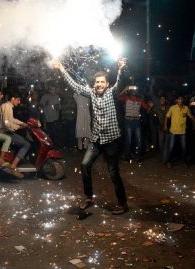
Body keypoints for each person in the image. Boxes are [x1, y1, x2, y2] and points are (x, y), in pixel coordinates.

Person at [52, 58, 129, 215]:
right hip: (96, 140)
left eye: (102, 82)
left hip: (112, 141)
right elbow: (74, 85)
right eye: (97, 82)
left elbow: (120, 82)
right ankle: (88, 197)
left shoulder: (111, 93)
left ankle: (122, 203)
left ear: (107, 84)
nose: (99, 84)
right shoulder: (91, 93)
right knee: (85, 165)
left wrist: (121, 68)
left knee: (113, 173)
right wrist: (61, 68)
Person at [0, 92, 31, 178]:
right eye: (18, 100)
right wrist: (17, 127)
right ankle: (13, 167)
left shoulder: (9, 106)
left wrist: (22, 123)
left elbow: (12, 119)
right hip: (5, 132)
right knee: (26, 144)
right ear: (12, 98)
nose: (19, 102)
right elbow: (6, 123)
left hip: (7, 131)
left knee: (23, 138)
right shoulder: (6, 106)